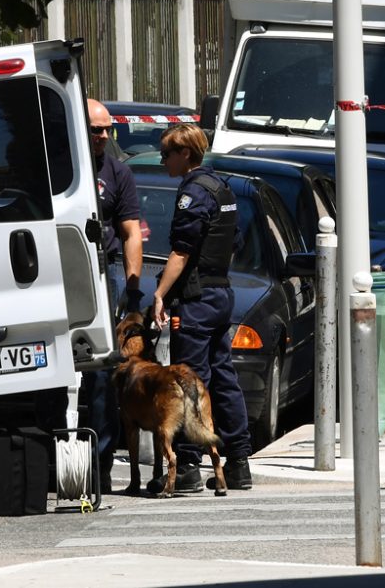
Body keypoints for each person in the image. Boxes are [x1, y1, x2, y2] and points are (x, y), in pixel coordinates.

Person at [35, 99, 144, 493]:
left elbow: (130, 230)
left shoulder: (117, 171)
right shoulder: (55, 168)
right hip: (53, 274)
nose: (102, 136)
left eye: (106, 130)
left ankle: (98, 468)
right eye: (95, 129)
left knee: (100, 371)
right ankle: (52, 463)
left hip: (101, 274)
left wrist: (132, 291)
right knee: (52, 366)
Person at [148, 123, 253, 494]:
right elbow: (233, 241)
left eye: (167, 154)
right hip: (221, 294)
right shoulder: (223, 188)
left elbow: (182, 250)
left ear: (185, 154)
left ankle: (188, 467)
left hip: (195, 299)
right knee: (223, 377)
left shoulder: (192, 193)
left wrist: (160, 293)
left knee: (189, 381)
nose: (163, 161)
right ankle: (239, 464)